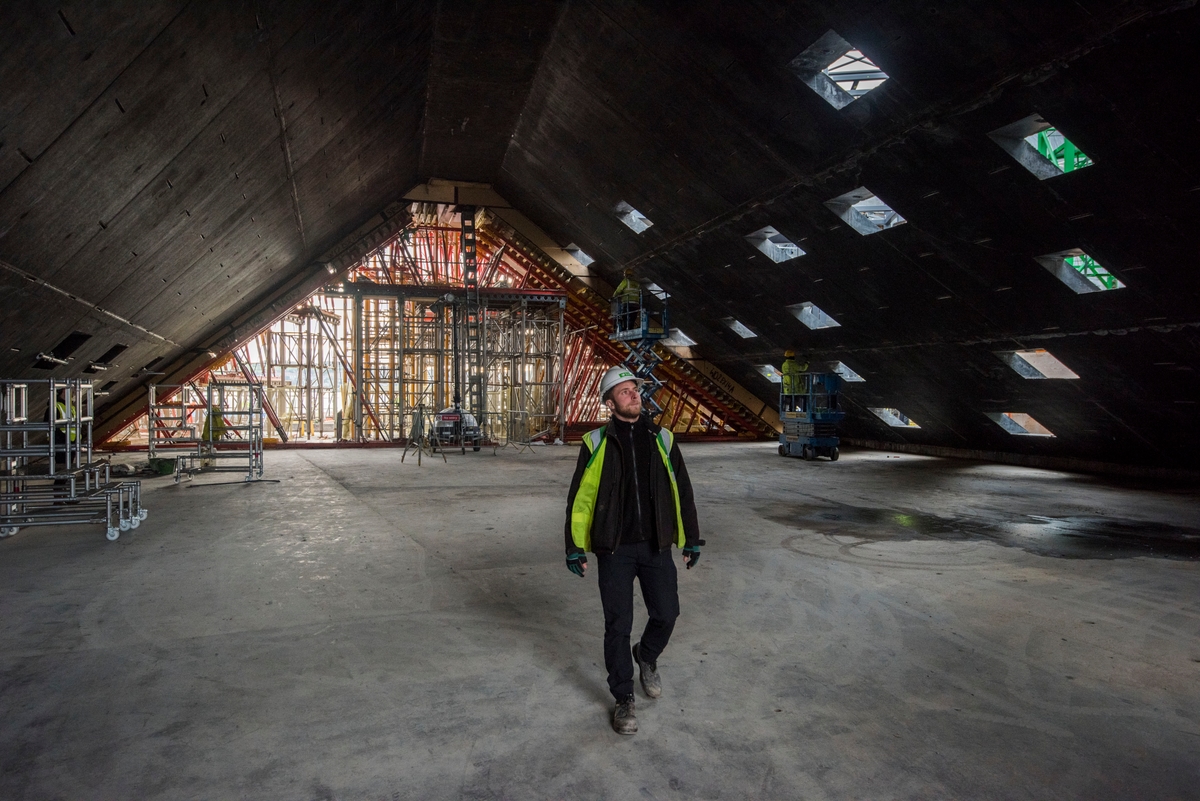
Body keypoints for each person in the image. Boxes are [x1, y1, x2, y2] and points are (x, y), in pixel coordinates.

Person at [563, 365, 701, 735]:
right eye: (624, 391)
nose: (634, 395)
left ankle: (648, 655)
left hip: (656, 545)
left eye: (635, 389)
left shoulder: (663, 439)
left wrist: (690, 538)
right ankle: (624, 698)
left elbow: (681, 492)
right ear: (610, 403)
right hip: (615, 550)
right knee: (618, 625)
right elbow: (581, 499)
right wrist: (574, 546)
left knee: (667, 613)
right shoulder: (595, 443)